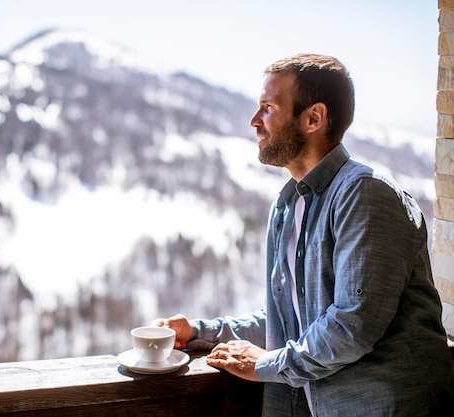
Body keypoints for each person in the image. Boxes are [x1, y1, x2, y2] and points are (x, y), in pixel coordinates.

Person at [155, 53, 454, 416]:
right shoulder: (287, 206)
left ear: (313, 118)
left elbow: (352, 326)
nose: (254, 121)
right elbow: (291, 318)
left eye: (267, 107)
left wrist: (264, 364)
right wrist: (203, 331)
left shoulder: (365, 194)